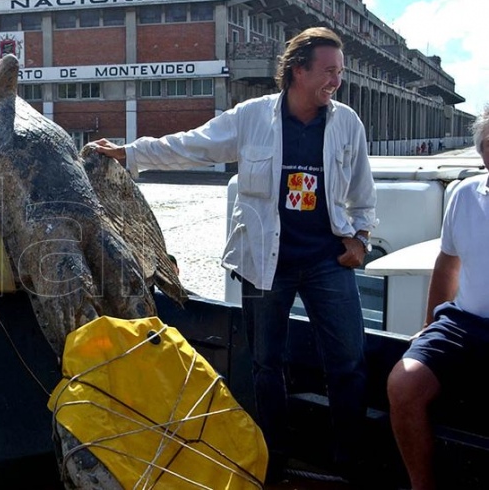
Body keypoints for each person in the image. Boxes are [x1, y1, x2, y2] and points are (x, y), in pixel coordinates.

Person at [88, 26, 377, 483]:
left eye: (339, 72)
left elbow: (363, 192)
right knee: (266, 365)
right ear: (298, 71)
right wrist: (129, 152)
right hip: (266, 265)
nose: (336, 81)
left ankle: (348, 463)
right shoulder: (252, 118)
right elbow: (191, 144)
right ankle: (274, 460)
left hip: (327, 261)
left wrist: (359, 240)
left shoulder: (347, 124)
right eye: (328, 71)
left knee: (348, 362)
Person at [387, 105, 489, 490]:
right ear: (482, 150)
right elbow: (448, 263)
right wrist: (429, 325)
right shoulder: (465, 194)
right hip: (464, 324)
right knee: (403, 384)